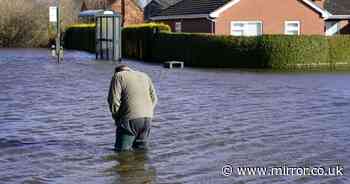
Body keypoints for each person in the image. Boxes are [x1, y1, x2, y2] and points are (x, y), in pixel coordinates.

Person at [107, 64, 158, 151]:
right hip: (147, 119)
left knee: (122, 153)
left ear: (117, 71)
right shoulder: (144, 75)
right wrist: (148, 111)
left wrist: (117, 118)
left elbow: (113, 101)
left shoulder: (118, 76)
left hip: (129, 119)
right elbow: (154, 99)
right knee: (141, 151)